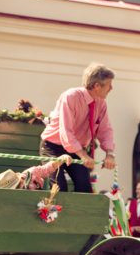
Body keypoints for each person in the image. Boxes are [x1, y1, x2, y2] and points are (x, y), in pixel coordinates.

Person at [40, 62, 116, 193]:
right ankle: (55, 213)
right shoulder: (70, 97)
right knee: (59, 188)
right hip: (53, 147)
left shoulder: (101, 103)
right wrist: (83, 156)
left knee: (84, 187)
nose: (111, 88)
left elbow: (105, 130)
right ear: (97, 86)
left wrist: (109, 154)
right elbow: (66, 132)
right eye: (109, 84)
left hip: (76, 150)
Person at [0, 155, 72, 190]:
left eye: (17, 185)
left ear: (21, 179)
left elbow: (47, 168)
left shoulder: (31, 173)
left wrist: (62, 159)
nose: (18, 189)